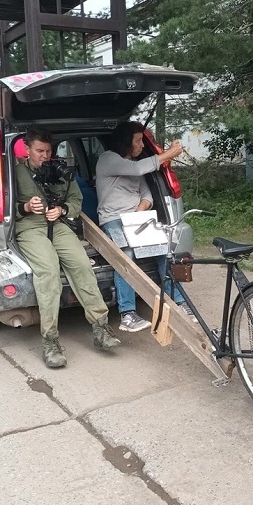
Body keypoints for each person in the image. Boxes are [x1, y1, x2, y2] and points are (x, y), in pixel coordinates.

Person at [14, 129, 121, 368]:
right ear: (27, 149)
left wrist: (62, 210)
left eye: (48, 150)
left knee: (82, 265)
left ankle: (101, 328)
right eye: (39, 151)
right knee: (48, 271)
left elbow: (75, 201)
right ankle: (50, 341)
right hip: (30, 227)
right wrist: (25, 207)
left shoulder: (60, 170)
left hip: (58, 224)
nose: (44, 155)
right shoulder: (16, 173)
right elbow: (4, 207)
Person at [95, 121, 194, 332]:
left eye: (142, 140)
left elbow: (147, 193)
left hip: (137, 218)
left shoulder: (134, 164)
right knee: (126, 255)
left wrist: (142, 207)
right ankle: (128, 314)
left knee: (164, 251)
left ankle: (179, 302)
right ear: (126, 141)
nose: (142, 145)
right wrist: (169, 154)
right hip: (113, 219)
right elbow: (139, 168)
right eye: (138, 141)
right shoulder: (108, 159)